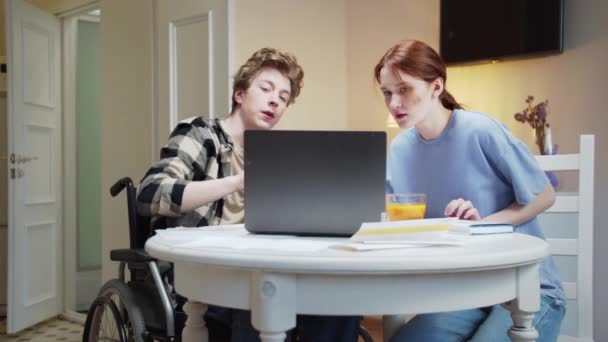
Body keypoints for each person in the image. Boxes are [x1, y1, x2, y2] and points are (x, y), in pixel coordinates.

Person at [136, 47, 359, 342]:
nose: (274, 101)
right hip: (201, 271)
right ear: (240, 94)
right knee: (260, 301)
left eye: (283, 98)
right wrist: (235, 182)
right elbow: (149, 193)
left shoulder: (277, 155)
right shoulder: (202, 134)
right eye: (266, 89)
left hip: (262, 269)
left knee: (340, 303)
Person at [374, 40, 565, 342]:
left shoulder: (480, 131)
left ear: (436, 87)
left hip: (527, 288)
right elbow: (395, 221)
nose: (394, 103)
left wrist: (481, 227)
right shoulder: (399, 150)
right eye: (387, 92)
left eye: (404, 89)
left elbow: (545, 195)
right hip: (466, 292)